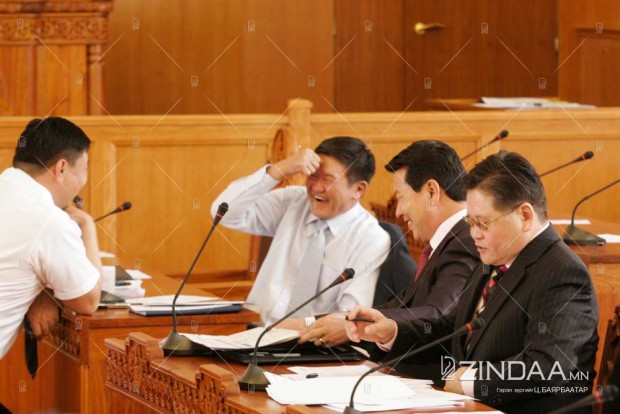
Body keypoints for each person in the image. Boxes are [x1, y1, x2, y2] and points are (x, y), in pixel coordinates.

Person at [346, 151, 599, 413]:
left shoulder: (563, 273)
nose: (474, 233)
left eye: (483, 223)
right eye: (470, 221)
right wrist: (393, 331)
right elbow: (452, 330)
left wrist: (471, 382)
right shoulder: (493, 258)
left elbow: (549, 367)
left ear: (524, 215)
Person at [298, 140, 479, 348]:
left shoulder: (465, 241)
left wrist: (356, 325)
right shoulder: (445, 242)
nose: (398, 212)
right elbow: (401, 306)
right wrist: (339, 320)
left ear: (431, 192)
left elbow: (437, 314)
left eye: (401, 198)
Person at [211, 136, 390, 325]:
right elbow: (222, 213)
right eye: (313, 176)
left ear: (359, 189)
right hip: (252, 328)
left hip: (314, 339)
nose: (316, 187)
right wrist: (277, 170)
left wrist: (284, 330)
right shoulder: (292, 201)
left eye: (328, 180)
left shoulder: (371, 238)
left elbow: (349, 316)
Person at [0, 117, 102, 360]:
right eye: (85, 168)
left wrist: (43, 291)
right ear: (62, 168)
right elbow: (87, 301)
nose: (84, 180)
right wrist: (87, 225)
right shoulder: (49, 221)